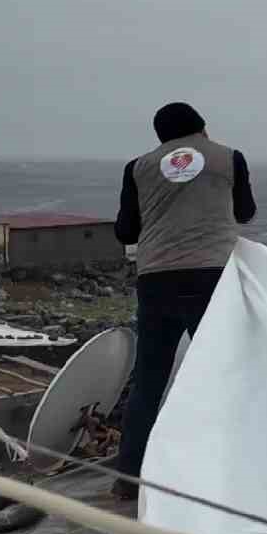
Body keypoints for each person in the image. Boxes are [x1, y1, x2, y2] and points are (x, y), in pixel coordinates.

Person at [111, 102, 256, 500]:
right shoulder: (229, 158)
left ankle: (128, 478)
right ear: (203, 128)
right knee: (224, 373)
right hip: (211, 276)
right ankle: (231, 472)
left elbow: (126, 231)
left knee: (148, 381)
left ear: (160, 138)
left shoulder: (138, 167)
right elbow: (246, 213)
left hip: (156, 279)